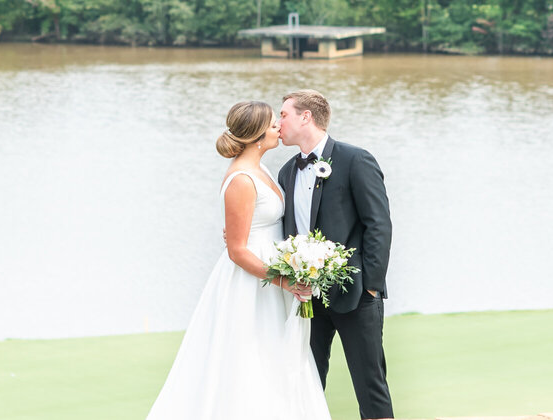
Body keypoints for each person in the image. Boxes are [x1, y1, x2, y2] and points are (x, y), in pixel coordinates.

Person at [144, 100, 331, 420]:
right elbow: (237, 250)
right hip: (252, 283)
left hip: (272, 278)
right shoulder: (242, 179)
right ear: (257, 135)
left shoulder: (262, 170)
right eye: (272, 124)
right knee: (249, 359)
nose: (278, 127)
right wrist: (283, 280)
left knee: (276, 358)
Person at [277, 90, 394, 420]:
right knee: (306, 384)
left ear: (306, 117)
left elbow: (378, 224)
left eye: (283, 114)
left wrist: (371, 286)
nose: (277, 122)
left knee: (370, 385)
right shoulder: (286, 172)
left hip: (356, 295)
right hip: (306, 298)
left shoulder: (355, 159)